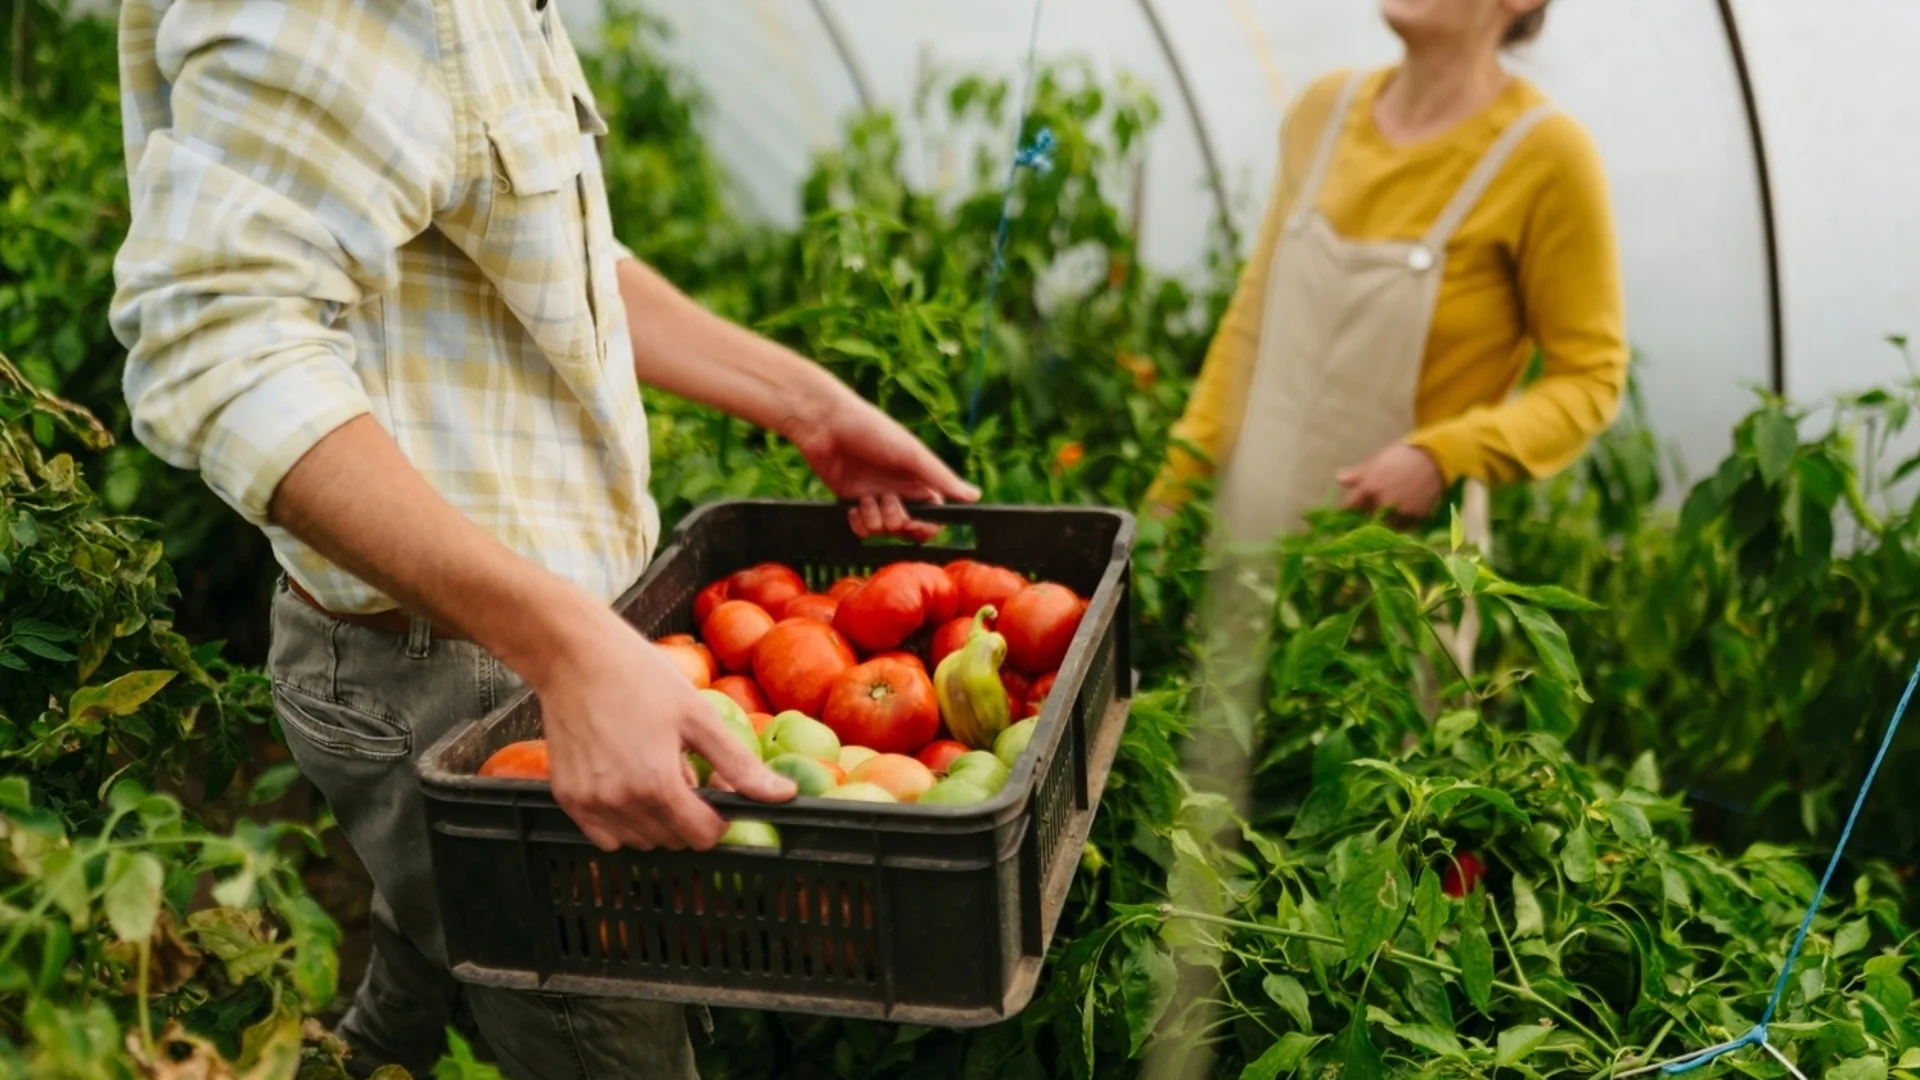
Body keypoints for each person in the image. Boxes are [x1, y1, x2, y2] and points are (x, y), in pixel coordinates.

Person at [109, 0, 975, 1076]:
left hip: (543, 638)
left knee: (431, 958)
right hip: (460, 662)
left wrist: (802, 402)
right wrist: (564, 648)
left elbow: (554, 259)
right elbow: (218, 349)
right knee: (605, 1037)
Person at [1149, 0, 1626, 588]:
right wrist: (1167, 502)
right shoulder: (1322, 112)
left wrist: (1442, 455)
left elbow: (1591, 378)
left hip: (1397, 580)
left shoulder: (1546, 157)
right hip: (1248, 544)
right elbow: (1252, 324)